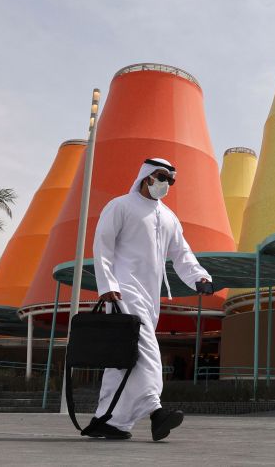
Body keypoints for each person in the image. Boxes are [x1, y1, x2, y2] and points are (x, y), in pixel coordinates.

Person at [88, 158, 213, 441]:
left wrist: (199, 277)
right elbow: (102, 245)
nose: (166, 183)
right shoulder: (120, 206)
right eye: (161, 176)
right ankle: (157, 413)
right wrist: (107, 285)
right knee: (148, 354)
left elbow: (182, 254)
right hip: (122, 292)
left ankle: (107, 421)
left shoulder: (169, 217)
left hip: (150, 297)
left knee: (121, 362)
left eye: (171, 179)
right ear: (146, 176)